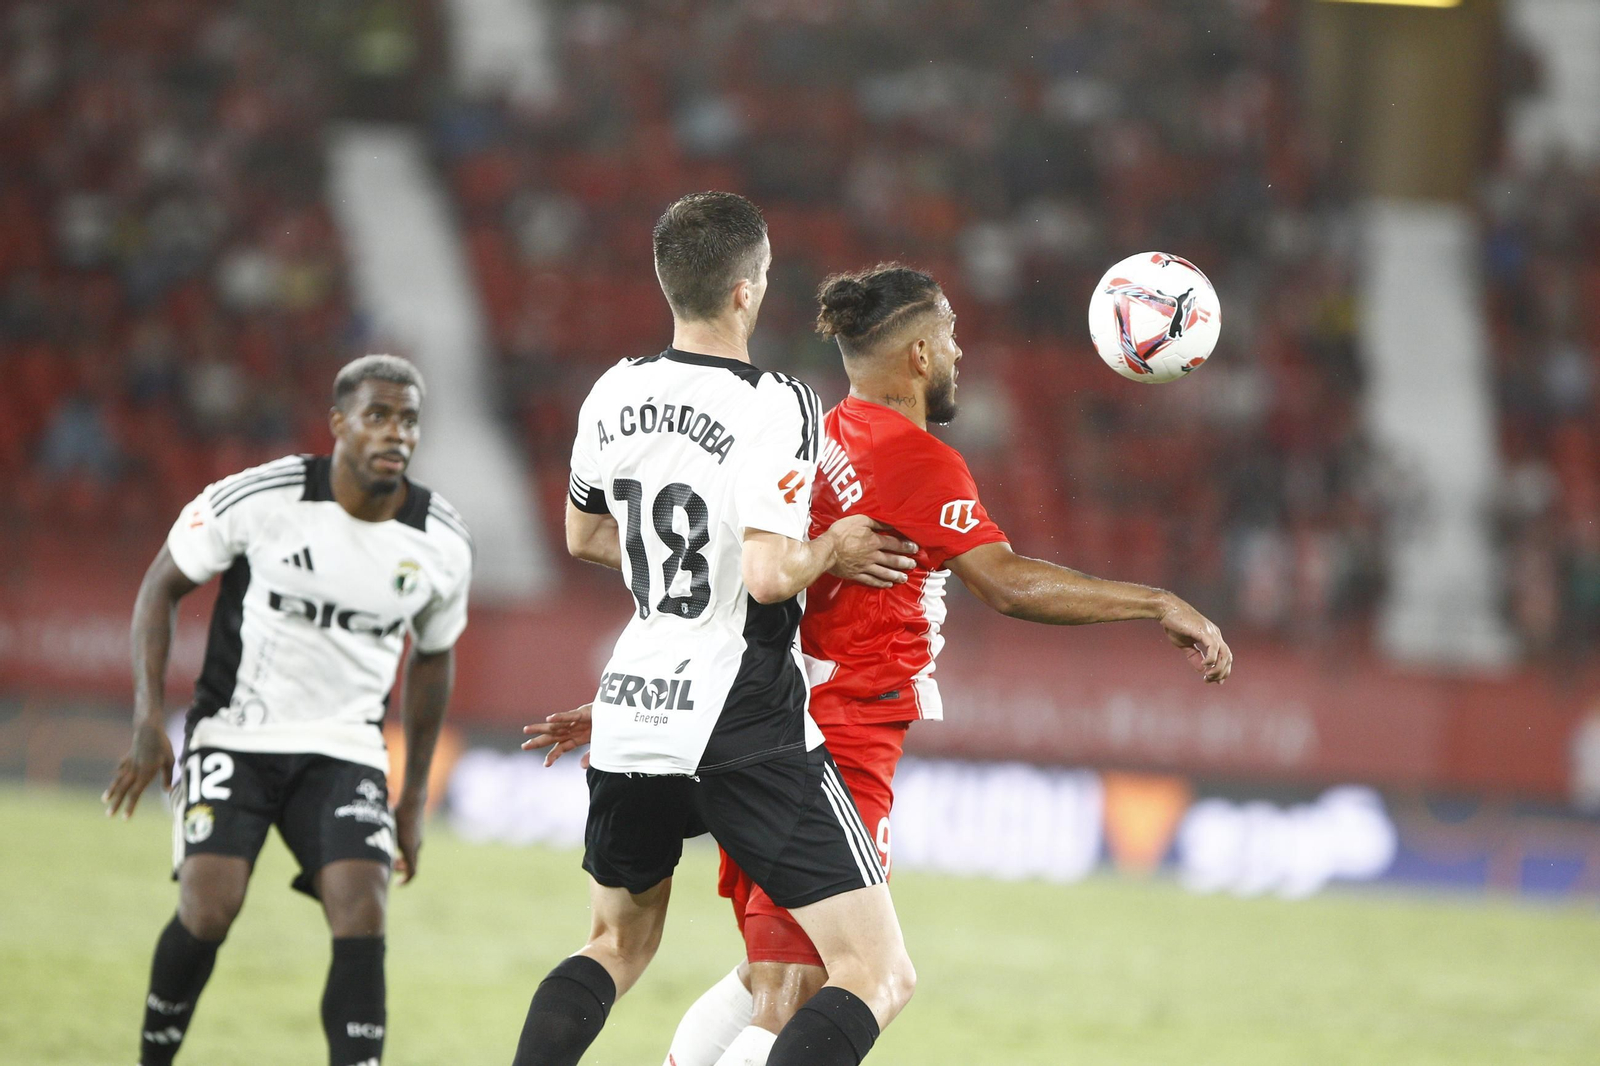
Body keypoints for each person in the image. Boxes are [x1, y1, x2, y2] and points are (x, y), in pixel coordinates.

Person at [527, 264, 1234, 1066]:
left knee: (766, 978)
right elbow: (1006, 583)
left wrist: (647, 701)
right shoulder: (916, 462)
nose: (961, 351)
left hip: (750, 712)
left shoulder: (818, 436)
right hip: (832, 737)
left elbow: (727, 571)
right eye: (952, 334)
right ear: (921, 354)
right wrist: (1156, 602)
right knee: (811, 986)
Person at [509, 192, 921, 1066]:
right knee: (876, 972)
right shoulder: (778, 401)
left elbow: (584, 535)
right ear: (747, 290)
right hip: (740, 711)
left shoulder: (613, 389)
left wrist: (681, 584)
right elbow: (769, 575)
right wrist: (834, 547)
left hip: (633, 698)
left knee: (614, 947)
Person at [102, 354, 473, 1066]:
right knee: (210, 907)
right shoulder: (261, 498)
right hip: (236, 735)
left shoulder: (443, 541)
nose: (396, 433)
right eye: (377, 416)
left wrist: (413, 796)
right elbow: (159, 588)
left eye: (408, 420)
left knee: (363, 911)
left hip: (347, 750)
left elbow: (434, 657)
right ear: (339, 423)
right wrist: (148, 719)